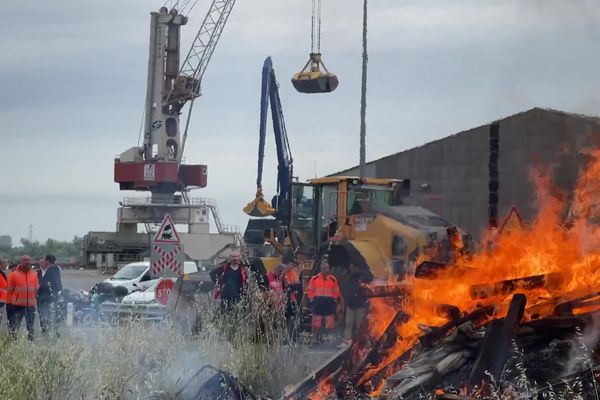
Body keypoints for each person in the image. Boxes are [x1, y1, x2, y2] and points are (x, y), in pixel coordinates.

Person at [307, 260, 340, 344]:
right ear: (321, 269)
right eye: (324, 268)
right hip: (318, 302)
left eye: (327, 268)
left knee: (330, 323)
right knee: (316, 323)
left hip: (329, 302)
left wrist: (335, 299)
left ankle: (330, 339)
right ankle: (314, 339)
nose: (326, 270)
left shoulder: (333, 279)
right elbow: (310, 290)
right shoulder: (314, 279)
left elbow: (336, 291)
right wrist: (311, 299)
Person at [7, 255, 39, 340]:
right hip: (18, 305)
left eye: (28, 260)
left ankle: (30, 342)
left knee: (30, 325)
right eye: (25, 260)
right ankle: (14, 341)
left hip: (31, 305)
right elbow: (10, 290)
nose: (27, 262)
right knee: (16, 325)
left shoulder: (34, 274)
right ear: (21, 261)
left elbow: (36, 289)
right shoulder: (13, 275)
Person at [341, 263, 373, 341]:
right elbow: (344, 289)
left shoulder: (363, 277)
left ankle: (361, 340)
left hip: (360, 305)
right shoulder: (348, 277)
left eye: (352, 267)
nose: (350, 268)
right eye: (350, 267)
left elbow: (369, 279)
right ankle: (347, 340)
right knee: (348, 323)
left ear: (356, 268)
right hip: (350, 305)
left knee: (360, 325)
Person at [37, 254, 63, 336]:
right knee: (51, 316)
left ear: (47, 261)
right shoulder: (56, 270)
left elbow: (49, 285)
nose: (42, 262)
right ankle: (52, 332)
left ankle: (49, 333)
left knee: (47, 316)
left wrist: (38, 287)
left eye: (44, 260)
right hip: (51, 298)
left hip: (47, 299)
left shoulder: (51, 271)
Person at [0, 257, 9, 326]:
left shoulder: (4, 273)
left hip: (2, 301)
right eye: (5, 262)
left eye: (7, 262)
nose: (7, 264)